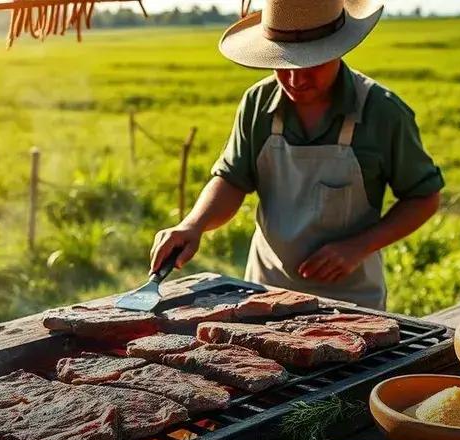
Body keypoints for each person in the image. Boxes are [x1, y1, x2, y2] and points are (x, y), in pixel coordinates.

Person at [149, 0, 443, 310]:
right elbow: (232, 180)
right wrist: (193, 224)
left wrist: (359, 246)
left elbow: (424, 197)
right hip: (265, 293)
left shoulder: (382, 112)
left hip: (351, 304)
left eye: (310, 65)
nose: (295, 80)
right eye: (283, 64)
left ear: (338, 50)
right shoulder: (257, 103)